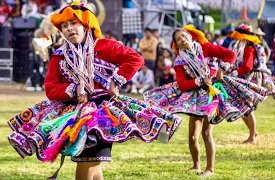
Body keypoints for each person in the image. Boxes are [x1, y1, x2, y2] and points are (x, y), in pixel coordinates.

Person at [7, 2, 182, 179]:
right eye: (64, 26)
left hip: (102, 113)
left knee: (90, 162)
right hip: (74, 114)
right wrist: (75, 89)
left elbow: (134, 59)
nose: (69, 29)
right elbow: (51, 89)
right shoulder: (59, 56)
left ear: (86, 24)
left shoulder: (104, 46)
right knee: (93, 164)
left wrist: (115, 81)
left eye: (73, 23)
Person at [144, 25, 266, 176]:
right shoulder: (179, 61)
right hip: (195, 97)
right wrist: (201, 80)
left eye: (184, 36)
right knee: (193, 136)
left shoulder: (206, 47)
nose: (183, 40)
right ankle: (196, 165)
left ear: (190, 36)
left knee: (206, 133)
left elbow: (229, 55)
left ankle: (210, 169)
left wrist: (222, 69)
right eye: (178, 39)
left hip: (212, 93)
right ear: (176, 44)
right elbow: (182, 85)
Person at [229, 24, 275, 144]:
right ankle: (252, 132)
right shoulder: (246, 47)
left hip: (251, 78)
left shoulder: (249, 49)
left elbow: (248, 67)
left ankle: (252, 137)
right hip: (247, 78)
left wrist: (235, 72)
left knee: (247, 107)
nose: (236, 40)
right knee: (242, 108)